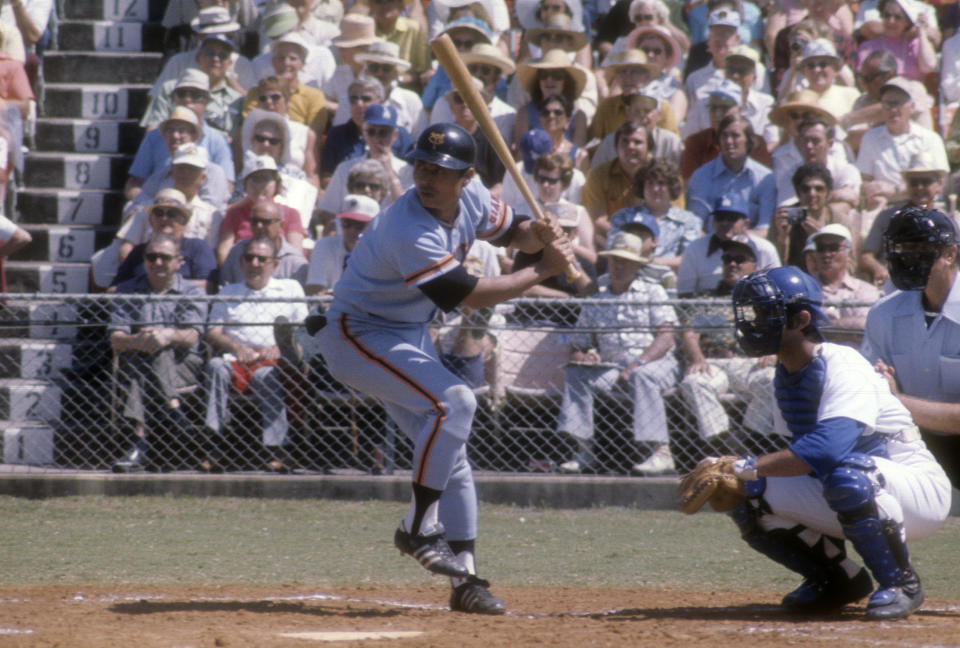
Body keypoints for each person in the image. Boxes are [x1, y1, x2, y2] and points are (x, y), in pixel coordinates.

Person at [312, 123, 576, 614]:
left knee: (450, 448)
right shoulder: (407, 226)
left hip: (405, 334)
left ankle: (467, 583)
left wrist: (535, 234)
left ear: (467, 176)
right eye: (422, 167)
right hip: (358, 334)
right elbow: (466, 294)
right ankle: (416, 527)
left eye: (441, 170)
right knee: (456, 402)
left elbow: (510, 227)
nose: (427, 178)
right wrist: (542, 269)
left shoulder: (471, 196)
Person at [721, 264, 950, 620]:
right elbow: (806, 457)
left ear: (799, 320)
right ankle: (837, 580)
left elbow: (827, 449)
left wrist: (745, 465)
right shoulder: (786, 373)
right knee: (743, 493)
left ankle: (900, 582)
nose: (753, 321)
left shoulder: (841, 362)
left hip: (916, 488)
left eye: (765, 313)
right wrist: (737, 473)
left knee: (845, 475)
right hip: (861, 481)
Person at [555, 231, 681, 475]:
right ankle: (584, 451)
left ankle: (661, 453)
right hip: (614, 369)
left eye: (626, 261)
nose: (619, 265)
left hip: (657, 364)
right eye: (615, 260)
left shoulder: (653, 292)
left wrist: (638, 363)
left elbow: (666, 337)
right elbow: (578, 346)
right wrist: (585, 356)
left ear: (637, 265)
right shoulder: (596, 299)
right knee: (576, 373)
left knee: (642, 376)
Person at [861, 206, 960, 489]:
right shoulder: (883, 313)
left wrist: (897, 401)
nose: (909, 257)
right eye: (903, 248)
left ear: (950, 254)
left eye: (920, 248)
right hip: (909, 444)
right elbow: (870, 395)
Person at [204, 236, 309, 472]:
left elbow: (304, 331)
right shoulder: (228, 292)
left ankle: (277, 449)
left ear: (274, 264)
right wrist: (235, 347)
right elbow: (212, 333)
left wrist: (283, 347)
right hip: (237, 359)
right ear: (241, 262)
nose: (255, 263)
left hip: (275, 360)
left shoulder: (290, 289)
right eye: (249, 258)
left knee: (267, 375)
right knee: (214, 366)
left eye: (262, 259)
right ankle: (214, 443)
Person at [108, 233, 206, 473]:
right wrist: (139, 340)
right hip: (140, 361)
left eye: (164, 257)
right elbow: (115, 338)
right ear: (144, 260)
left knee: (155, 351)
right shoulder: (127, 290)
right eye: (152, 257)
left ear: (178, 261)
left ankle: (139, 443)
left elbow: (191, 336)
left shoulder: (192, 292)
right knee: (145, 354)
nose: (158, 262)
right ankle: (174, 412)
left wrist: (166, 335)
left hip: (184, 365)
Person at [677, 238, 778, 453]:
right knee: (693, 382)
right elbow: (689, 333)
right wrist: (697, 358)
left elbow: (782, 331)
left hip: (750, 363)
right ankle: (723, 442)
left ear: (755, 267)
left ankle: (751, 438)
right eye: (727, 259)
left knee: (771, 380)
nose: (732, 264)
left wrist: (773, 353)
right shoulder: (706, 299)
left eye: (739, 259)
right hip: (714, 363)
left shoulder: (765, 301)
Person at [855, 77, 948, 212]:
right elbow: (864, 181)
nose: (892, 110)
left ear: (911, 107)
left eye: (897, 103)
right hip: (885, 207)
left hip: (924, 206)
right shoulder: (870, 138)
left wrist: (895, 190)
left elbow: (940, 184)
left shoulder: (930, 139)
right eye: (887, 104)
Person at [858, 152, 946, 287]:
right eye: (914, 183)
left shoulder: (947, 221)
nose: (919, 187)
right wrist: (879, 269)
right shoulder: (888, 217)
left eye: (926, 182)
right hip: (895, 282)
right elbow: (866, 257)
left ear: (939, 184)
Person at [686, 113, 776, 235]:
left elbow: (765, 229)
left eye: (735, 136)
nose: (728, 141)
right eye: (724, 136)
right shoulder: (701, 176)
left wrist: (734, 240)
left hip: (749, 247)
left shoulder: (765, 179)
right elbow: (695, 227)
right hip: (709, 246)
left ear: (749, 141)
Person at [112, 187, 218, 290]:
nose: (164, 218)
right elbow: (114, 289)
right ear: (150, 220)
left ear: (184, 221)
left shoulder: (197, 247)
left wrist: (163, 288)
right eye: (158, 213)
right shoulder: (139, 251)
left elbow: (208, 286)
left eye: (172, 213)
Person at [607, 158, 701, 273]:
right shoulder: (623, 218)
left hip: (670, 284)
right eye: (650, 183)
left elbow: (689, 261)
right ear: (642, 186)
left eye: (661, 183)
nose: (655, 189)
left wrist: (648, 262)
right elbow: (613, 255)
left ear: (671, 186)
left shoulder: (689, 221)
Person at [677, 194, 780, 296]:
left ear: (746, 224)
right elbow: (684, 294)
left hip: (753, 306)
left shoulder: (764, 249)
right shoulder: (695, 248)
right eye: (720, 218)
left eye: (731, 218)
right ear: (713, 222)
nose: (724, 223)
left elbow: (777, 289)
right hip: (708, 308)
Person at [804, 223, 880, 334]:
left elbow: (866, 325)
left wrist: (821, 325)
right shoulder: (804, 289)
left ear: (849, 254)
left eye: (833, 248)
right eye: (821, 248)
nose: (826, 254)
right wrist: (848, 322)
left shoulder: (866, 290)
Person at [219, 198, 308, 287]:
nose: (259, 226)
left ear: (281, 226)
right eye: (254, 221)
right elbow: (225, 289)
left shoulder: (294, 261)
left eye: (266, 222)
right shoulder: (237, 252)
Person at [305, 194, 378, 295]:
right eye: (347, 223)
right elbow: (314, 291)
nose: (352, 230)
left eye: (359, 225)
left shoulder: (384, 253)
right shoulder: (324, 245)